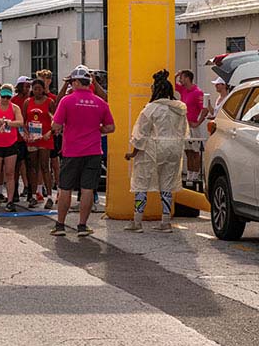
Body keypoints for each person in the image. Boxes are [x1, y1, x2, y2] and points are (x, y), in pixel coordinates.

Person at [51, 65, 115, 237]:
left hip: (71, 151)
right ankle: (82, 226)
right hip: (93, 151)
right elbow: (110, 127)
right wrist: (96, 129)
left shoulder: (67, 101)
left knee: (65, 189)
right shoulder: (100, 102)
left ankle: (60, 226)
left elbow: (55, 125)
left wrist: (65, 127)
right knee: (87, 189)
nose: (71, 85)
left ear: (78, 82)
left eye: (72, 82)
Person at [125, 70, 188, 233]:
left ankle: (137, 221)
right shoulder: (180, 108)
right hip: (173, 148)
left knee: (141, 183)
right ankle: (165, 221)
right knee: (167, 184)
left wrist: (133, 153)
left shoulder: (150, 109)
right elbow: (183, 131)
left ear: (156, 90)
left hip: (152, 148)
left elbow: (141, 135)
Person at [0, 85, 24, 212]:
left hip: (10, 143)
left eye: (8, 97)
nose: (6, 99)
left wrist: (8, 122)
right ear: (0, 95)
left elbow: (20, 122)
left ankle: (10, 200)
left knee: (10, 173)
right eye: (4, 96)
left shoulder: (15, 108)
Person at [23, 79, 55, 209]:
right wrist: (26, 133)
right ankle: (34, 195)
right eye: (35, 89)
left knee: (45, 166)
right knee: (32, 167)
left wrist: (49, 132)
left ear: (43, 89)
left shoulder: (49, 102)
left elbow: (55, 119)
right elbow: (23, 121)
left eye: (39, 89)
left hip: (45, 138)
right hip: (32, 138)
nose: (37, 91)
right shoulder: (27, 102)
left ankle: (50, 196)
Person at [175, 70, 207, 186]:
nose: (180, 80)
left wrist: (198, 122)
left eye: (182, 78)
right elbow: (172, 85)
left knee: (195, 151)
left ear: (188, 78)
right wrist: (177, 74)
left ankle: (195, 174)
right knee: (187, 151)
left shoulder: (197, 92)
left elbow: (205, 108)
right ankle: (189, 175)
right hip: (184, 126)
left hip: (192, 126)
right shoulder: (184, 90)